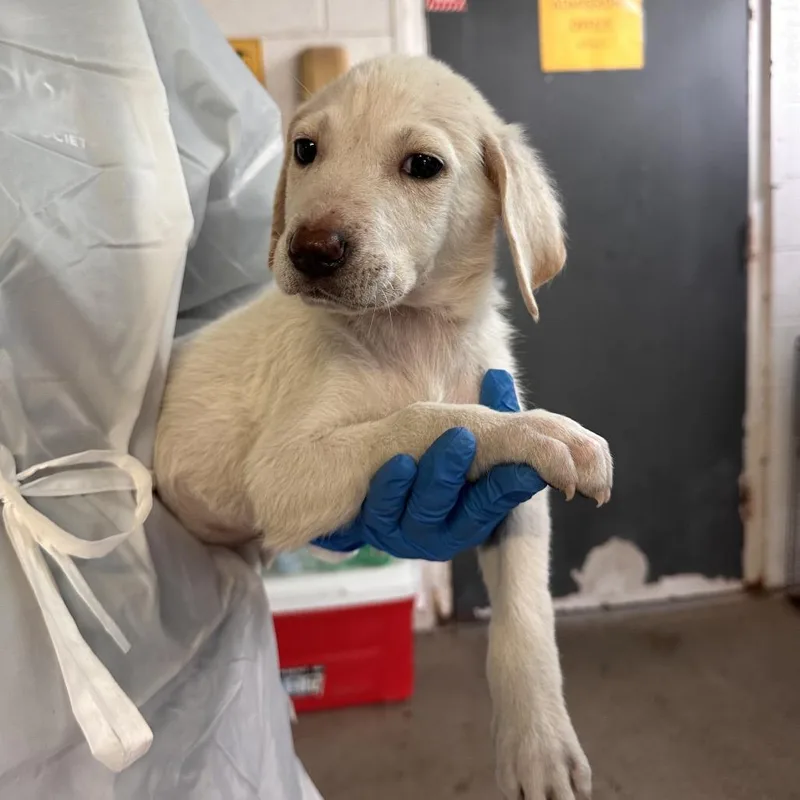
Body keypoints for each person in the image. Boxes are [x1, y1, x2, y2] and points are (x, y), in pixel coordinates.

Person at [0, 0, 543, 797]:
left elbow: (238, 270)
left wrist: (333, 462)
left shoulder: (113, 21)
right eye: (311, 151)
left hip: (161, 600)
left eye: (421, 165)